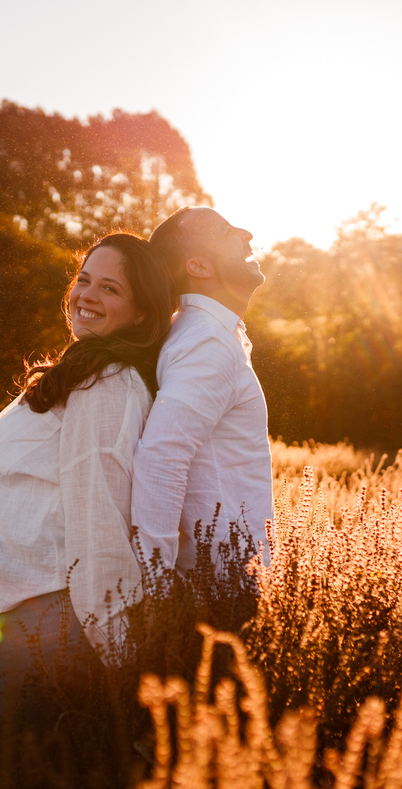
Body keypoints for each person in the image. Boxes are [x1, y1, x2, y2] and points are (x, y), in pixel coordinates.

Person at [0, 232, 176, 728]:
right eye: (84, 280)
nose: (87, 295)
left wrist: (119, 653)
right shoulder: (78, 371)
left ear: (140, 313)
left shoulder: (106, 383)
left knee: (36, 768)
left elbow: (100, 516)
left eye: (110, 288)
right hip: (14, 613)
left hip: (47, 623)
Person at [132, 207, 274, 577]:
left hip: (230, 573)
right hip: (226, 581)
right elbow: (162, 458)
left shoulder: (208, 333)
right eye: (227, 230)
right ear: (199, 267)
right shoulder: (206, 341)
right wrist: (157, 585)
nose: (247, 234)